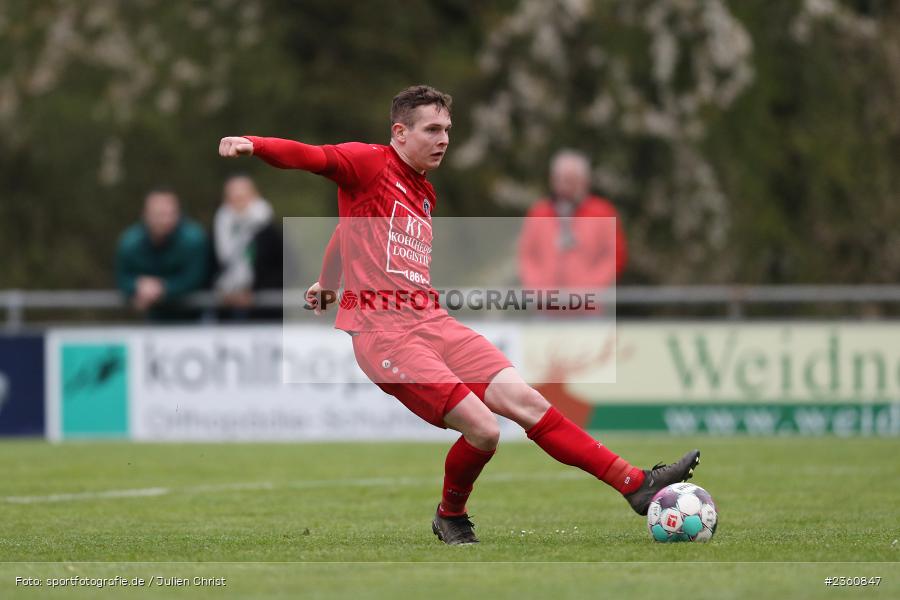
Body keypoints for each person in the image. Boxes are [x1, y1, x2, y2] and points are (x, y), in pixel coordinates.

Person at [218, 85, 700, 545]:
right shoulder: (369, 163)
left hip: (432, 322)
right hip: (385, 336)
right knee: (485, 429)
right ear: (399, 133)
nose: (443, 138)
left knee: (525, 402)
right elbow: (313, 155)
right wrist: (255, 145)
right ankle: (451, 516)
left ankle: (635, 483)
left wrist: (327, 283)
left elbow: (346, 233)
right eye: (431, 129)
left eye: (447, 128)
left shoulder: (425, 193)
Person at [518, 149, 627, 296]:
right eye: (560, 179)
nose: (564, 186)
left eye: (571, 180)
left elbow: (614, 257)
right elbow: (526, 255)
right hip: (546, 306)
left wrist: (591, 287)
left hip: (589, 307)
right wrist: (537, 286)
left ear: (585, 182)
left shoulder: (602, 213)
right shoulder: (539, 213)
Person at [115, 188, 209, 321]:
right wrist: (137, 286)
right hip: (154, 319)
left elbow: (196, 277)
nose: (165, 220)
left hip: (195, 319)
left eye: (170, 214)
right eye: (159, 214)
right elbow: (123, 277)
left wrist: (162, 289)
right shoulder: (130, 243)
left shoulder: (193, 239)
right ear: (145, 215)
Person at [211, 174, 283, 320]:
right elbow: (211, 267)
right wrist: (223, 290)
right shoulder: (218, 229)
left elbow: (286, 269)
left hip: (265, 312)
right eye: (234, 197)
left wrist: (254, 292)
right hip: (226, 310)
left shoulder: (270, 231)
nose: (239, 202)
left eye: (243, 196)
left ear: (255, 196)